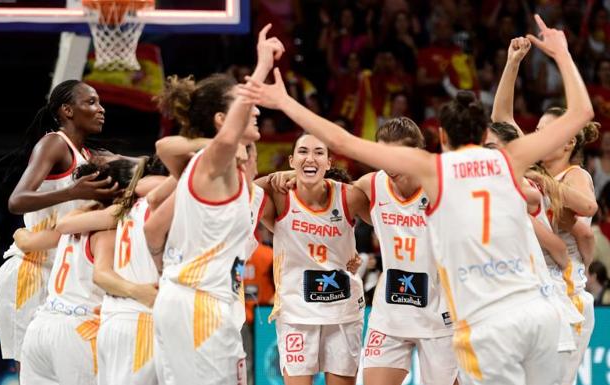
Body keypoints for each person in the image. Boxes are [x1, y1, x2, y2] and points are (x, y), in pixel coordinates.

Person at [239, 15, 594, 385]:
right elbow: (581, 114)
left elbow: (342, 142)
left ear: (440, 138)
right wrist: (563, 55)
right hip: (537, 308)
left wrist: (283, 101)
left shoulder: (435, 171)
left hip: (484, 317)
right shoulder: (510, 162)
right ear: (485, 135)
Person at [143, 24, 281, 385]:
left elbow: (153, 232)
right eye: (242, 102)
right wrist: (262, 65)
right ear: (223, 120)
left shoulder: (218, 172)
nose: (254, 108)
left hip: (198, 300)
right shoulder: (211, 162)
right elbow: (213, 140)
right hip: (198, 303)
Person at [491, 35, 599, 385]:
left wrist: (542, 181)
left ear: (567, 140)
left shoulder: (575, 174)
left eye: (544, 132)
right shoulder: (534, 165)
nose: (535, 138)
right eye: (535, 131)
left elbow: (587, 207)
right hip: (530, 284)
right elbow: (502, 119)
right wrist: (512, 64)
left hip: (564, 287)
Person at [0, 80, 117, 364]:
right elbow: (17, 200)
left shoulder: (86, 156)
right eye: (91, 102)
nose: (101, 109)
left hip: (63, 271)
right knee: (35, 370)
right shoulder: (53, 143)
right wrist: (73, 192)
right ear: (67, 110)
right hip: (32, 270)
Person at [13, 157, 141, 385]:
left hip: (40, 327)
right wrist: (142, 292)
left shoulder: (72, 220)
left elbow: (26, 241)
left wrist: (20, 234)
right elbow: (101, 275)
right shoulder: (109, 232)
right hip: (78, 330)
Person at [255, 133, 369, 385]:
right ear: (292, 159)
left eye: (319, 152)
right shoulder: (280, 197)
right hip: (297, 313)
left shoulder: (349, 196)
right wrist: (280, 176)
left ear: (329, 162)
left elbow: (384, 219)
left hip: (343, 310)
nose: (311, 157)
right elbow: (247, 190)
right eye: (303, 152)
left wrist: (357, 257)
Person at [353, 117, 459, 385]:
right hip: (390, 312)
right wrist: (288, 175)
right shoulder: (370, 184)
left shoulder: (442, 185)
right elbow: (329, 195)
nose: (388, 164)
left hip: (440, 313)